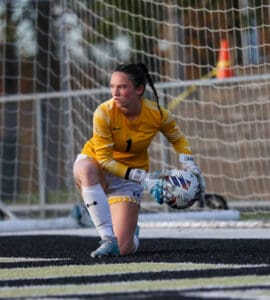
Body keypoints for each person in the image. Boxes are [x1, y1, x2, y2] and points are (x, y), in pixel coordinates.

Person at [73, 63, 205, 257]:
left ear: (139, 89)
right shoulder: (103, 113)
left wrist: (191, 167)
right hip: (99, 166)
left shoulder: (158, 114)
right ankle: (107, 238)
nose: (115, 93)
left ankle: (126, 231)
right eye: (112, 86)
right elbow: (104, 160)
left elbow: (178, 139)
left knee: (124, 249)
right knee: (85, 168)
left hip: (129, 179)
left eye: (122, 87)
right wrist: (144, 178)